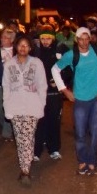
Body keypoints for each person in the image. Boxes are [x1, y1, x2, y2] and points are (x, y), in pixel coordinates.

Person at [51, 27, 97, 176]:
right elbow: (55, 69)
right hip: (80, 98)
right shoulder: (71, 55)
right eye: (80, 39)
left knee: (95, 131)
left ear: (90, 39)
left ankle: (92, 160)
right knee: (80, 132)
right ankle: (83, 160)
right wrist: (65, 90)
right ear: (76, 40)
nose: (84, 42)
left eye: (86, 38)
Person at [2, 36, 47, 187]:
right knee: (20, 138)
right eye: (20, 45)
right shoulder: (9, 64)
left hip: (32, 106)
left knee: (27, 137)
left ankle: (25, 171)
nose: (23, 48)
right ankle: (25, 164)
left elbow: (42, 85)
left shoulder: (37, 63)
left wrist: (41, 105)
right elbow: (6, 87)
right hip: (14, 107)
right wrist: (6, 107)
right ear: (16, 47)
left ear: (30, 48)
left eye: (26, 46)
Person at [33, 26, 64, 161]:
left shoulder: (59, 51)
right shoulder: (36, 53)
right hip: (38, 94)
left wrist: (59, 81)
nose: (46, 41)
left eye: (48, 38)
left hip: (54, 95)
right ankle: (36, 150)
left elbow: (67, 69)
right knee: (38, 122)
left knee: (54, 121)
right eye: (43, 38)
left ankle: (54, 148)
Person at [0, 28, 16, 142]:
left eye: (6, 37)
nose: (2, 39)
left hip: (14, 84)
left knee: (11, 107)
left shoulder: (17, 50)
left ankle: (7, 131)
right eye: (2, 37)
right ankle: (6, 125)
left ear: (12, 40)